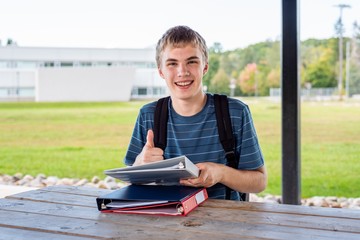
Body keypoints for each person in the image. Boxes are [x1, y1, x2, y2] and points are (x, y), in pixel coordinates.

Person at [124, 25, 267, 200]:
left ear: (205, 67)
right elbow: (131, 182)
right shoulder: (148, 115)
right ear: (161, 71)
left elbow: (259, 181)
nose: (182, 72)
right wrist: (140, 164)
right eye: (172, 64)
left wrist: (221, 173)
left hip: (225, 220)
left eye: (191, 62)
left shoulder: (235, 113)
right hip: (165, 219)